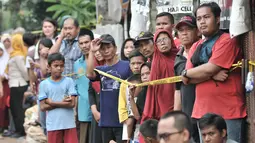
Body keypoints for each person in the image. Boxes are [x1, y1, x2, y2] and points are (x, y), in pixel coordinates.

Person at [182, 2, 246, 142]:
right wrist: (211, 75)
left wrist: (202, 72)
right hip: (202, 112)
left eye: (206, 17)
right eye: (199, 19)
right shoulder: (196, 46)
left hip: (228, 111)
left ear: (217, 19)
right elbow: (187, 79)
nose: (202, 22)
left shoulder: (228, 40)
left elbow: (208, 69)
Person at [86, 34, 132, 143]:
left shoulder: (127, 65)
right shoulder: (101, 69)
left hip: (122, 120)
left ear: (115, 48)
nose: (106, 51)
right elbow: (89, 74)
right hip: (106, 120)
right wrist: (92, 51)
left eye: (108, 47)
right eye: (102, 48)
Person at [39, 53, 78, 143]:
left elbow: (72, 104)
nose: (59, 68)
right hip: (53, 125)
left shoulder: (69, 81)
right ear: (49, 67)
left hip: (69, 124)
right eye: (56, 65)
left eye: (61, 66)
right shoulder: (44, 84)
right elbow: (43, 107)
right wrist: (63, 103)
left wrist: (52, 103)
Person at [141, 29, 178, 122]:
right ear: (156, 45)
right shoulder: (156, 62)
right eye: (158, 41)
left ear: (171, 40)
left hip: (181, 97)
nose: (162, 43)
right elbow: (154, 89)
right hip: (164, 102)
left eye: (165, 39)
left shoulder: (180, 56)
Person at [173, 15, 200, 142]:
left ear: (197, 30)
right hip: (188, 114)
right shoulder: (178, 58)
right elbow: (178, 89)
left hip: (205, 110)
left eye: (188, 29)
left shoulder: (203, 50)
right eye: (181, 30)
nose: (184, 33)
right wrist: (176, 116)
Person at [118, 49, 146, 142]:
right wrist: (127, 121)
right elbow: (122, 105)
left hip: (143, 120)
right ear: (129, 65)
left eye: (139, 63)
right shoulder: (124, 83)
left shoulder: (147, 81)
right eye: (133, 63)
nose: (136, 66)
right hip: (129, 122)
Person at [74, 29, 94, 143]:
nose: (84, 46)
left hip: (99, 109)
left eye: (87, 42)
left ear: (92, 42)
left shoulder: (99, 61)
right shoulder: (77, 64)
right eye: (81, 43)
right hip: (83, 111)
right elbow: (76, 88)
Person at [7, 34, 28, 138]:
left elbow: (24, 71)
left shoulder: (18, 56)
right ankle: (17, 129)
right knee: (14, 108)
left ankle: (21, 130)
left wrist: (28, 81)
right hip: (14, 84)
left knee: (18, 109)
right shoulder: (14, 54)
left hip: (18, 84)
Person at [88, 50, 104, 143]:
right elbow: (90, 91)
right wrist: (94, 111)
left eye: (100, 49)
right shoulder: (93, 70)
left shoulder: (113, 68)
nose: (98, 53)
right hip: (97, 112)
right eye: (95, 51)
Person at [0, 43, 10, 133]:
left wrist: (4, 76)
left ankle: (4, 125)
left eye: (0, 50)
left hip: (5, 84)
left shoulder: (7, 59)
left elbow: (9, 72)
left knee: (4, 105)